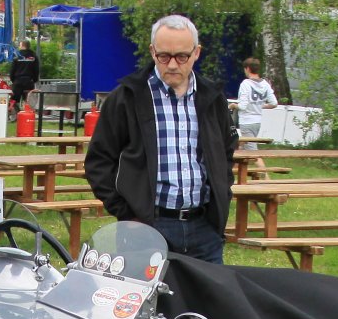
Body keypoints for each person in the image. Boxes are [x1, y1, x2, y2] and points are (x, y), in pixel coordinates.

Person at [84, 14, 236, 263]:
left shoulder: (213, 98)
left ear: (196, 53)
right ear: (152, 52)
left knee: (210, 291)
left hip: (204, 230)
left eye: (182, 56)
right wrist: (127, 214)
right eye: (164, 56)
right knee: (145, 291)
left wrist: (220, 200)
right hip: (145, 229)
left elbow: (226, 153)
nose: (173, 65)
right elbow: (98, 162)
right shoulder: (126, 98)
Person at [236, 57, 278, 138]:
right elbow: (274, 103)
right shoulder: (265, 84)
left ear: (248, 69)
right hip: (257, 122)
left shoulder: (246, 84)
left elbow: (242, 106)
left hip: (246, 121)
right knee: (246, 143)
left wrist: (233, 105)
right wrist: (259, 105)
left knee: (250, 145)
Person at [9, 38, 40, 112]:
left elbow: (12, 69)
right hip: (29, 81)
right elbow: (36, 70)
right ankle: (27, 114)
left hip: (18, 81)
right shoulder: (34, 56)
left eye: (20, 45)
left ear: (22, 45)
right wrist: (34, 80)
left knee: (14, 100)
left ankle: (15, 113)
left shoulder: (17, 55)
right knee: (28, 100)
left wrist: (13, 79)